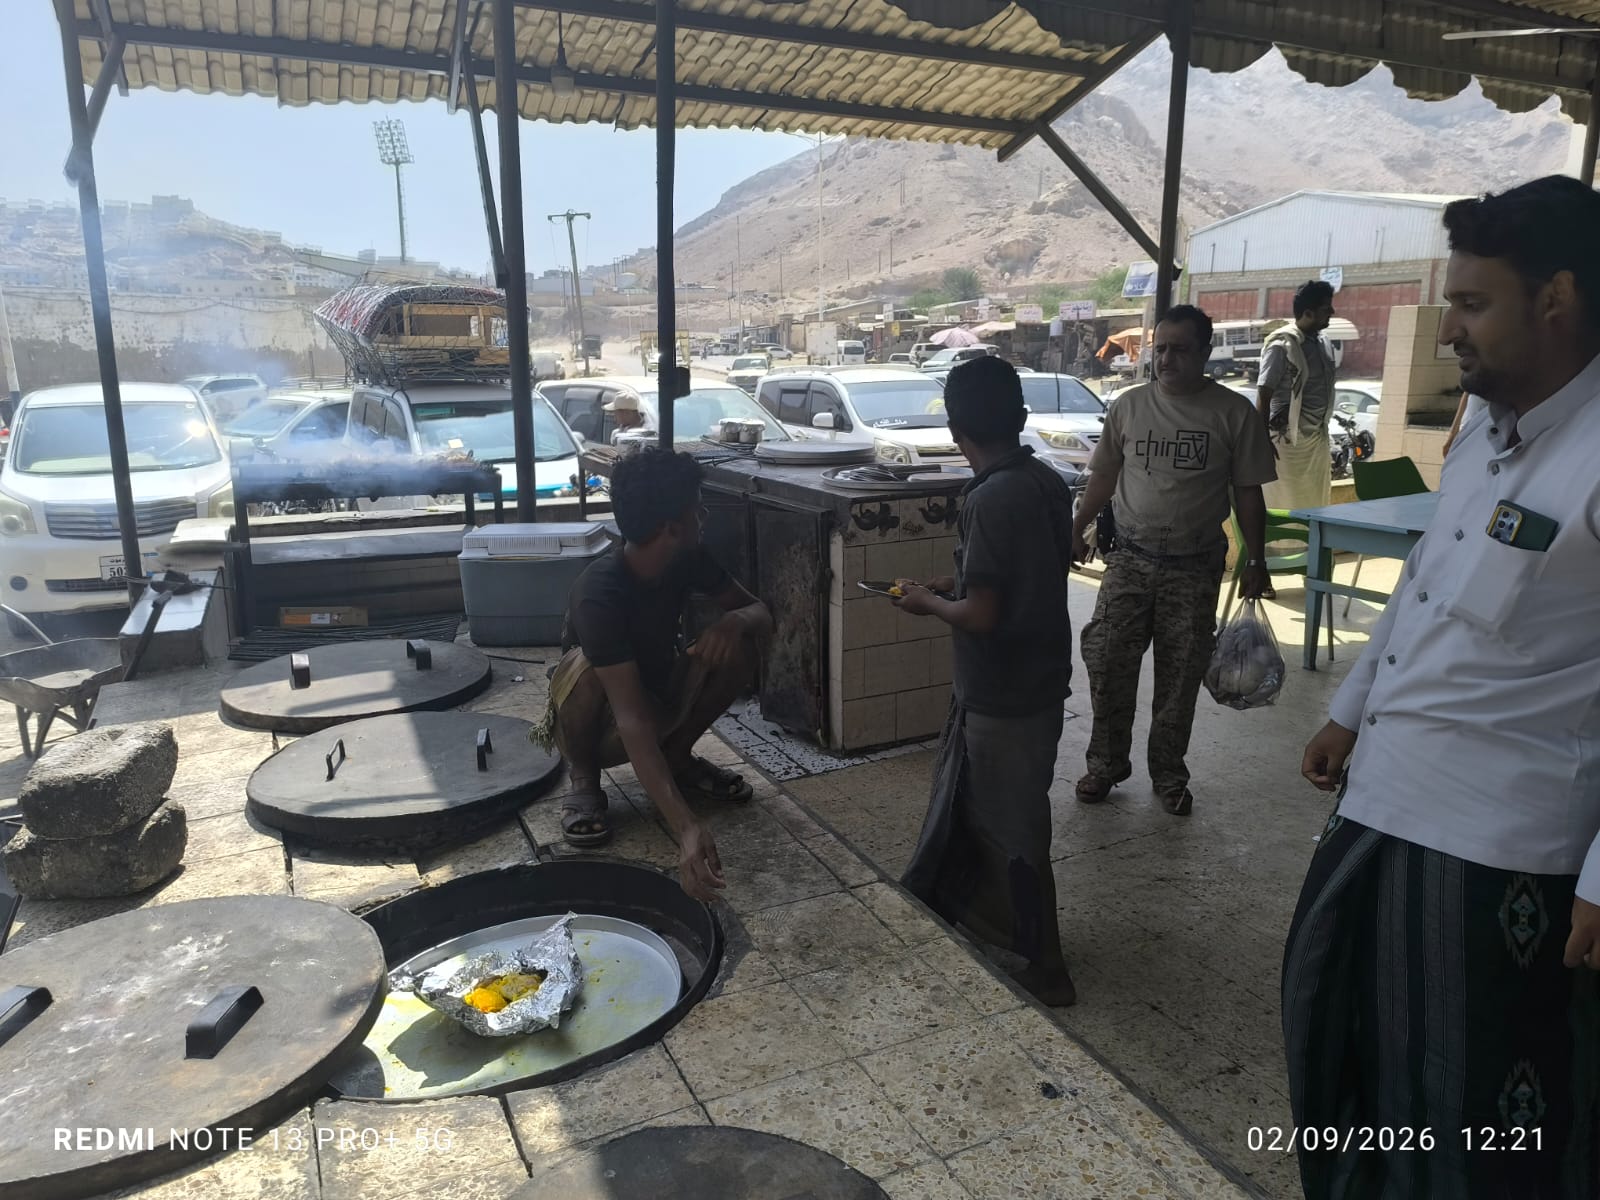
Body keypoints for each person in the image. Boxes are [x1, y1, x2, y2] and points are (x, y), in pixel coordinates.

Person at [1284, 176, 1600, 1200]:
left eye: (1471, 304)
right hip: (1381, 804)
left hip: (1498, 854)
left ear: (1555, 298)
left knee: (1478, 1115)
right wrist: (1347, 711)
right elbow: (1423, 585)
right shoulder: (1483, 434)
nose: (1449, 329)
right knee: (1342, 1049)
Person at [894, 355, 1078, 1007]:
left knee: (1015, 834)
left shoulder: (989, 497)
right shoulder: (1045, 480)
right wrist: (957, 581)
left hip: (1005, 693)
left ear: (954, 431)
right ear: (1021, 417)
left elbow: (982, 615)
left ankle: (1047, 967)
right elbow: (1036, 568)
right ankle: (1008, 932)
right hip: (1040, 679)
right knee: (1000, 818)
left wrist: (931, 604)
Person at [534, 447, 773, 901]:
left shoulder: (689, 557)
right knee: (588, 668)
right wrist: (685, 827)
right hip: (596, 720)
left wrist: (734, 621)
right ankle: (584, 776)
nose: (704, 516)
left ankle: (678, 758)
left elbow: (760, 612)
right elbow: (632, 719)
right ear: (671, 527)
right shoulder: (598, 592)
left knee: (738, 645)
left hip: (657, 694)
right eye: (697, 507)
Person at [1070, 304, 1275, 815]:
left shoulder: (1234, 413)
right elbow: (1103, 477)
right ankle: (1105, 765)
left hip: (1194, 565)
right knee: (1107, 662)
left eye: (1180, 349)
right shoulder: (1128, 406)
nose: (1166, 359)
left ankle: (1168, 775)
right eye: (1160, 348)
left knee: (1180, 677)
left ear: (1205, 352)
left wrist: (1256, 560)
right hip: (1129, 559)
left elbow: (1248, 493)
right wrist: (1074, 528)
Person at [1257, 280, 1337, 580]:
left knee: (1314, 507)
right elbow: (1263, 394)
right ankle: (1264, 573)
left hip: (1314, 443)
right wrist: (1261, 440)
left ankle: (1310, 569)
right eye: (1326, 309)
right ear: (1308, 312)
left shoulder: (1322, 343)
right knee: (1279, 507)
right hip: (1284, 447)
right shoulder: (1282, 345)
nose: (1331, 313)